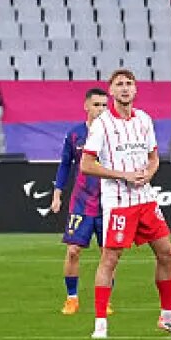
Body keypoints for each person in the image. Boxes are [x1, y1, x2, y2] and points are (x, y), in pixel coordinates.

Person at [80, 69, 171, 339]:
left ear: (136, 89)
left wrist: (149, 173)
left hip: (146, 199)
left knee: (167, 252)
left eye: (129, 83)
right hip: (118, 202)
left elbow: (153, 158)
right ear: (111, 91)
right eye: (119, 84)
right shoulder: (102, 125)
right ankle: (100, 323)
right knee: (110, 258)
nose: (125, 88)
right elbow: (86, 164)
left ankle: (167, 316)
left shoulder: (144, 120)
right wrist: (123, 175)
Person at [51, 87, 110, 315]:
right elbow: (65, 165)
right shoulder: (75, 134)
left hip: (107, 202)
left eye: (105, 105)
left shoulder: (113, 135)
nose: (101, 110)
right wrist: (57, 193)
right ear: (86, 106)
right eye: (97, 105)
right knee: (74, 250)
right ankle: (72, 298)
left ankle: (105, 301)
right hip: (81, 202)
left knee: (109, 254)